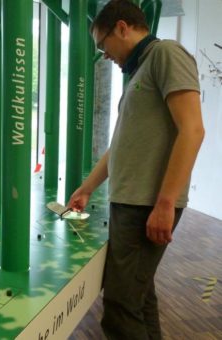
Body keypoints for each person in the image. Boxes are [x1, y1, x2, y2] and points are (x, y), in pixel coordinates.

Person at [67, 1, 205, 339]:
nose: (104, 54)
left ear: (122, 28)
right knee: (140, 299)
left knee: (120, 309)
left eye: (103, 45)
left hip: (146, 204)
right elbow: (121, 147)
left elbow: (192, 130)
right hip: (131, 202)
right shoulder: (138, 73)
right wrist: (87, 187)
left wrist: (165, 203)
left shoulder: (166, 55)